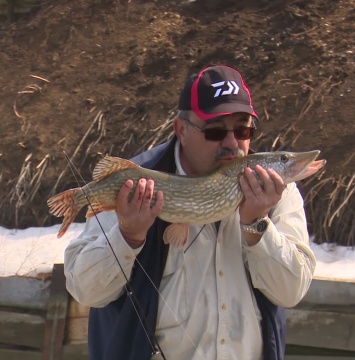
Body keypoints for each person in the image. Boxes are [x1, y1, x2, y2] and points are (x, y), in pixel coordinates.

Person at [63, 64, 316, 360]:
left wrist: (257, 224)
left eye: (243, 128)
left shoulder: (273, 188)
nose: (232, 142)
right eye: (216, 130)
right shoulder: (139, 182)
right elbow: (85, 290)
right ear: (181, 130)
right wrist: (128, 236)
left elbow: (291, 291)